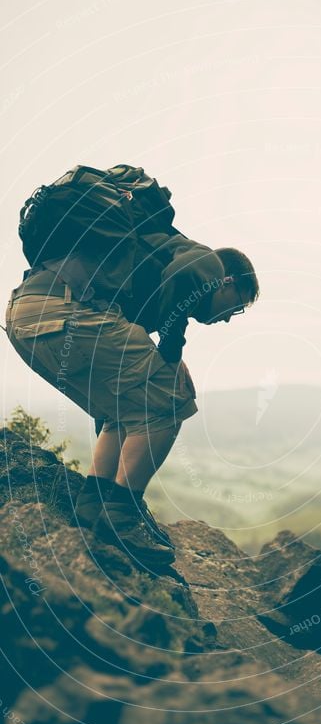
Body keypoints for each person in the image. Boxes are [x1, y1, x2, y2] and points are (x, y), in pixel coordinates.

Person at [4, 234, 259, 573]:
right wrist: (171, 351)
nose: (228, 318)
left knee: (130, 403)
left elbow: (125, 400)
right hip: (63, 314)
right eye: (236, 305)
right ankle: (122, 518)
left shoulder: (150, 268)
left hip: (24, 319)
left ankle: (94, 505)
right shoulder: (207, 263)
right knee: (173, 397)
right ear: (226, 282)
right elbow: (183, 274)